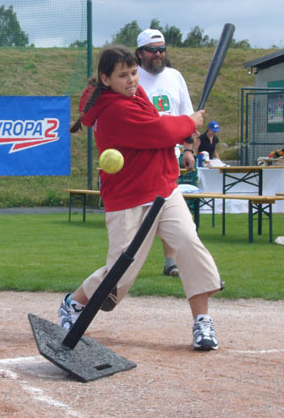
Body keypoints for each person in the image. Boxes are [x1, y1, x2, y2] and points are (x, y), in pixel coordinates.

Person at [61, 46, 221, 351]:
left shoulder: (136, 96)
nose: (132, 80)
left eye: (134, 73)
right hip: (129, 198)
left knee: (188, 244)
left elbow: (157, 128)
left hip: (163, 188)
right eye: (123, 75)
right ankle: (74, 303)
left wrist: (182, 131)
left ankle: (202, 320)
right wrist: (189, 123)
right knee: (119, 274)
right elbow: (157, 131)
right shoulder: (113, 109)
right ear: (106, 79)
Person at [135, 28, 196, 278]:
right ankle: (124, 263)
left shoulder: (175, 76)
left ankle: (171, 261)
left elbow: (187, 117)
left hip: (169, 156)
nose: (158, 54)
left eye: (161, 49)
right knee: (140, 214)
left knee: (168, 207)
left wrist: (189, 149)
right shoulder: (132, 77)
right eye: (152, 50)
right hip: (140, 156)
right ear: (140, 53)